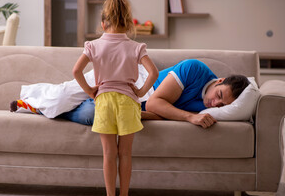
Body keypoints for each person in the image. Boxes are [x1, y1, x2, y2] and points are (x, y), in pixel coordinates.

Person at [72, 0, 158, 196]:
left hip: (104, 102)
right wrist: (139, 91)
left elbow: (76, 71)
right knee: (125, 154)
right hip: (129, 101)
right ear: (129, 24)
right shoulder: (136, 47)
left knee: (109, 153)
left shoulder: (93, 45)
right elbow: (154, 72)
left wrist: (90, 91)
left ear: (103, 22)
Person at [61, 59, 250, 129]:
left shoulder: (212, 110)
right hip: (132, 85)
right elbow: (154, 103)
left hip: (132, 106)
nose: (214, 103)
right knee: (62, 96)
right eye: (219, 95)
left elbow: (159, 112)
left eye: (222, 105)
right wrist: (189, 117)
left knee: (90, 113)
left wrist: (136, 114)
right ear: (220, 81)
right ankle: (38, 102)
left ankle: (57, 112)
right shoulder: (195, 69)